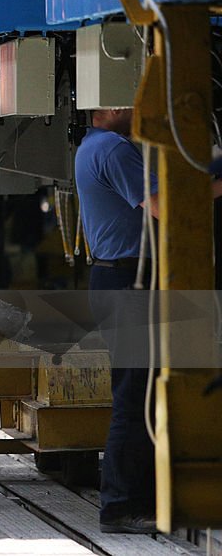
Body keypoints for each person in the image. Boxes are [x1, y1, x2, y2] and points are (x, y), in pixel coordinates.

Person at [75, 108, 222, 534]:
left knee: (137, 391)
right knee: (134, 396)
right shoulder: (114, 148)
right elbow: (163, 206)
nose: (138, 106)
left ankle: (142, 495)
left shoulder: (91, 146)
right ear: (109, 106)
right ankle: (120, 506)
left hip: (116, 277)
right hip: (127, 283)